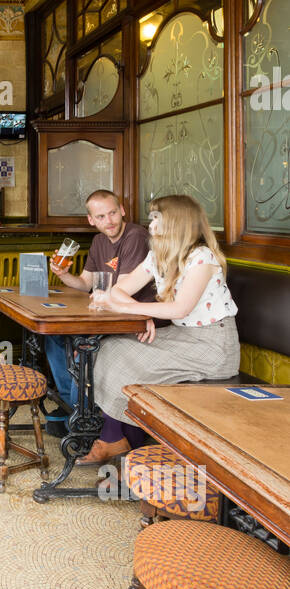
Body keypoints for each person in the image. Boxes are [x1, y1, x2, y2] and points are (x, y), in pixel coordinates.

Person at [77, 194, 240, 465]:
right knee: (109, 347)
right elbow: (118, 290)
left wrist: (133, 311)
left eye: (156, 218)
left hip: (212, 345)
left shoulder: (202, 258)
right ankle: (120, 439)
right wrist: (141, 313)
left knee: (123, 356)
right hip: (182, 337)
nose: (150, 224)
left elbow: (179, 309)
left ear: (176, 223)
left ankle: (120, 440)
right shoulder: (158, 255)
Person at [43, 190, 154, 417]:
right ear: (91, 220)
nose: (109, 221)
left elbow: (119, 291)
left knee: (83, 346)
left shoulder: (135, 236)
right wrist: (64, 274)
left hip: (131, 319)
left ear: (122, 210)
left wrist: (102, 296)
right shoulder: (99, 240)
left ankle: (80, 416)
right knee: (52, 336)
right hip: (107, 314)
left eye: (113, 213)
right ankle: (69, 407)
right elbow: (86, 283)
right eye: (101, 217)